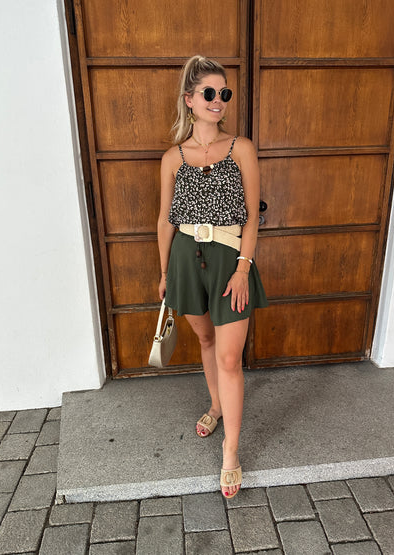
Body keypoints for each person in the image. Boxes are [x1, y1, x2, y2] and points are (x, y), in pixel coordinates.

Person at [157, 55, 267, 499]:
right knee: (205, 340)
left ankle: (231, 451)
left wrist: (243, 268)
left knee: (229, 358)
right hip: (185, 258)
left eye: (224, 93)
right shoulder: (173, 158)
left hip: (229, 260)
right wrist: (164, 273)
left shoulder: (241, 148)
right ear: (190, 99)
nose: (218, 100)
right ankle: (216, 406)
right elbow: (165, 220)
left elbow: (253, 217)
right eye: (209, 93)